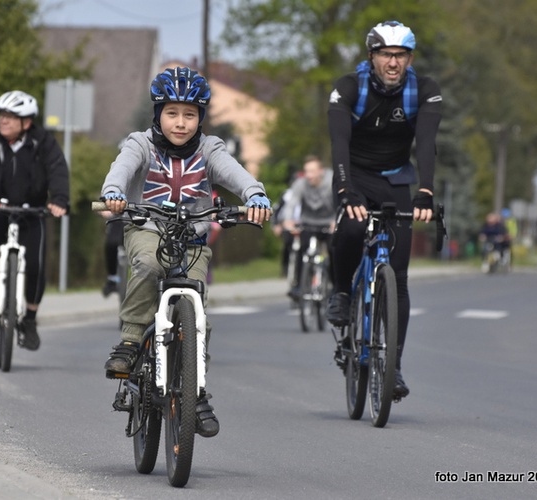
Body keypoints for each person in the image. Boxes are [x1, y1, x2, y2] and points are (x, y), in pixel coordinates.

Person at [100, 67, 271, 438]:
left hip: (192, 240)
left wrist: (254, 195)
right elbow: (121, 169)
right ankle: (131, 340)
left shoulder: (210, 149)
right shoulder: (140, 144)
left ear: (201, 118)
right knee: (145, 265)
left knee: (196, 313)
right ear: (158, 113)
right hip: (147, 229)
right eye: (172, 113)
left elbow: (234, 172)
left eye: (190, 115)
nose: (181, 123)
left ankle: (195, 393)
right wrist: (114, 193)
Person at [326, 21, 442, 400]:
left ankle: (393, 368)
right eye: (386, 54)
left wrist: (425, 191)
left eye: (401, 55)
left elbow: (426, 141)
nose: (393, 62)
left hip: (395, 180)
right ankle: (342, 291)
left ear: (409, 58)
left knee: (400, 273)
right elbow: (338, 141)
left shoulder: (423, 91)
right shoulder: (349, 88)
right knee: (353, 229)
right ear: (371, 56)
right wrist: (345, 189)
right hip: (354, 176)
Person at [0, 90, 70, 350]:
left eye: (10, 116)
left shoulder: (44, 142)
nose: (3, 121)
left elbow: (57, 170)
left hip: (32, 211)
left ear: (26, 122)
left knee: (36, 265)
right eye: (1, 115)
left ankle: (29, 320)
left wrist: (59, 200)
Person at [279, 155, 335, 299]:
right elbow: (291, 203)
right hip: (308, 223)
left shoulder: (331, 181)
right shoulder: (300, 184)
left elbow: (340, 202)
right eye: (306, 172)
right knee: (301, 250)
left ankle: (336, 287)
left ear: (321, 171)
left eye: (312, 171)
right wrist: (288, 220)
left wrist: (336, 221)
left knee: (334, 250)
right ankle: (298, 285)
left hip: (329, 223)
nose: (309, 175)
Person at [99, 210, 126, 297]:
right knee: (111, 243)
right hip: (118, 218)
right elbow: (99, 202)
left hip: (142, 217)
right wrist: (103, 208)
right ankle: (112, 279)